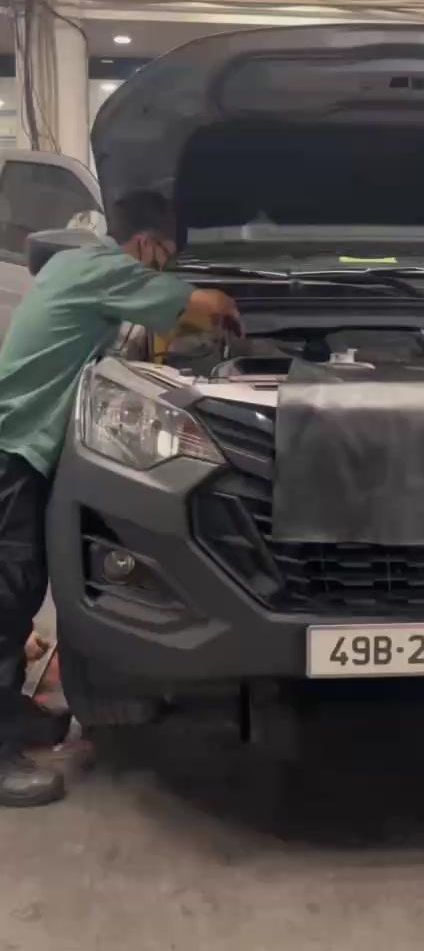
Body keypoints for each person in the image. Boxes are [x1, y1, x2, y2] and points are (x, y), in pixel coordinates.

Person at [0, 191, 241, 807]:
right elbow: (206, 305)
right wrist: (231, 312)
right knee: (7, 591)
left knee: (22, 585)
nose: (167, 265)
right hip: (11, 450)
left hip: (20, 446)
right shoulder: (106, 270)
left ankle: (11, 713)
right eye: (168, 254)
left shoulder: (77, 266)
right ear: (145, 244)